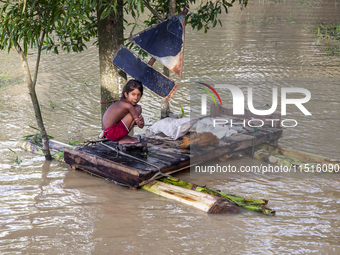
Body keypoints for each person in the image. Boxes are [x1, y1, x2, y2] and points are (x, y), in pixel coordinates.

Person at [102, 80, 144, 144]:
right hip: (113, 133)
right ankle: (124, 139)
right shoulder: (128, 105)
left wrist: (139, 119)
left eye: (138, 95)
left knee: (135, 110)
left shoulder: (123, 102)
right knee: (138, 109)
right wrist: (140, 120)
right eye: (133, 94)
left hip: (108, 133)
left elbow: (135, 122)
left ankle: (124, 137)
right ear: (126, 94)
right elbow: (140, 125)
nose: (136, 98)